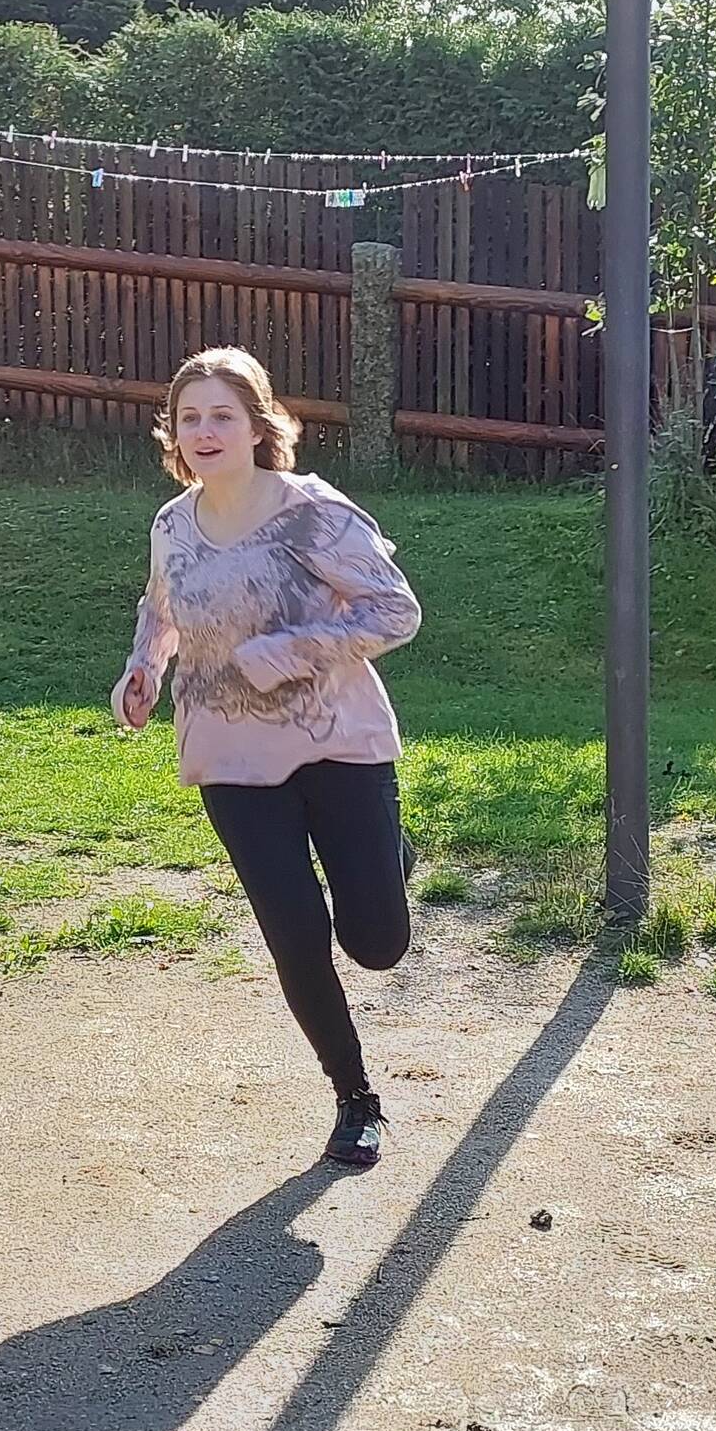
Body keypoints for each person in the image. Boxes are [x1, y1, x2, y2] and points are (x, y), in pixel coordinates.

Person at [110, 347, 422, 1167]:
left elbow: (396, 611)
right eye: (190, 418)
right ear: (174, 434)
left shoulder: (312, 512)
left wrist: (293, 649)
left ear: (258, 425)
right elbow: (161, 609)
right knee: (294, 932)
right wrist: (143, 671)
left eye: (222, 415)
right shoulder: (172, 525)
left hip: (336, 743)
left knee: (377, 944)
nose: (205, 431)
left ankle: (391, 855)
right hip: (228, 753)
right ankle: (355, 1099)